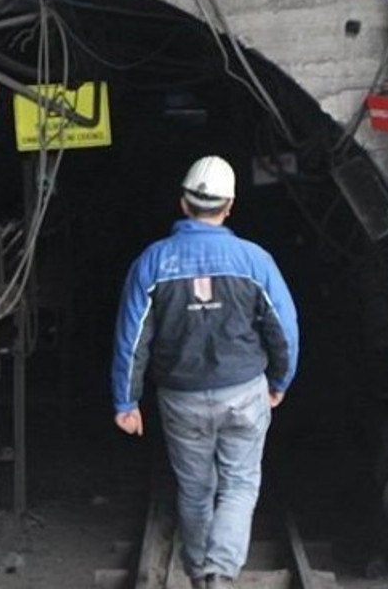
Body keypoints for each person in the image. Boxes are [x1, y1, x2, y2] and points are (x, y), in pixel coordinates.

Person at [110, 155, 299, 589]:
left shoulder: (152, 262)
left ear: (183, 203)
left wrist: (126, 400)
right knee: (238, 485)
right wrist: (280, 381)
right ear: (229, 206)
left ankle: (199, 572)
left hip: (181, 397)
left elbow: (132, 338)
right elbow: (283, 330)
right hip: (244, 392)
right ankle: (220, 573)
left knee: (195, 490)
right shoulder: (254, 260)